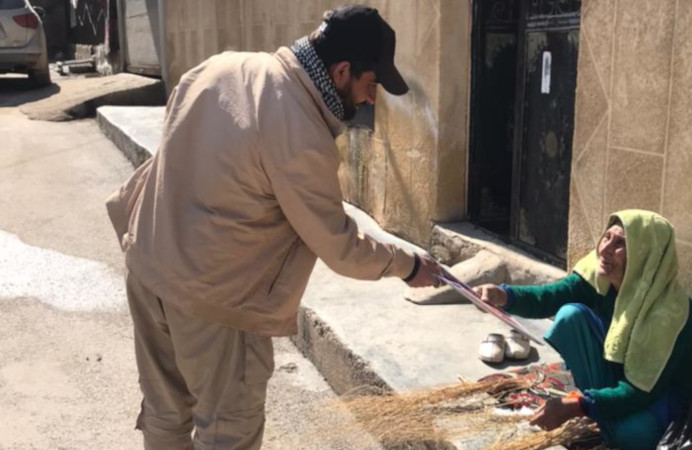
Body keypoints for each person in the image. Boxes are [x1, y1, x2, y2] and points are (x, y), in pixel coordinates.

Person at [105, 5, 442, 449]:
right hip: (215, 299)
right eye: (371, 84)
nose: (370, 99)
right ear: (342, 71)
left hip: (148, 265)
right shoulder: (300, 129)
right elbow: (340, 247)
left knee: (165, 414)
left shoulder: (220, 67)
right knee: (228, 430)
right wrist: (408, 265)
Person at [473, 210, 692, 450]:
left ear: (645, 256)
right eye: (607, 237)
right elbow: (553, 296)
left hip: (672, 403)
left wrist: (578, 406)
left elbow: (638, 392)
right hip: (627, 377)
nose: (605, 249)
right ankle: (606, 411)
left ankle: (608, 415)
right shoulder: (602, 277)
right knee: (571, 317)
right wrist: (504, 295)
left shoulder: (669, 315)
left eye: (620, 243)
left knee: (634, 434)